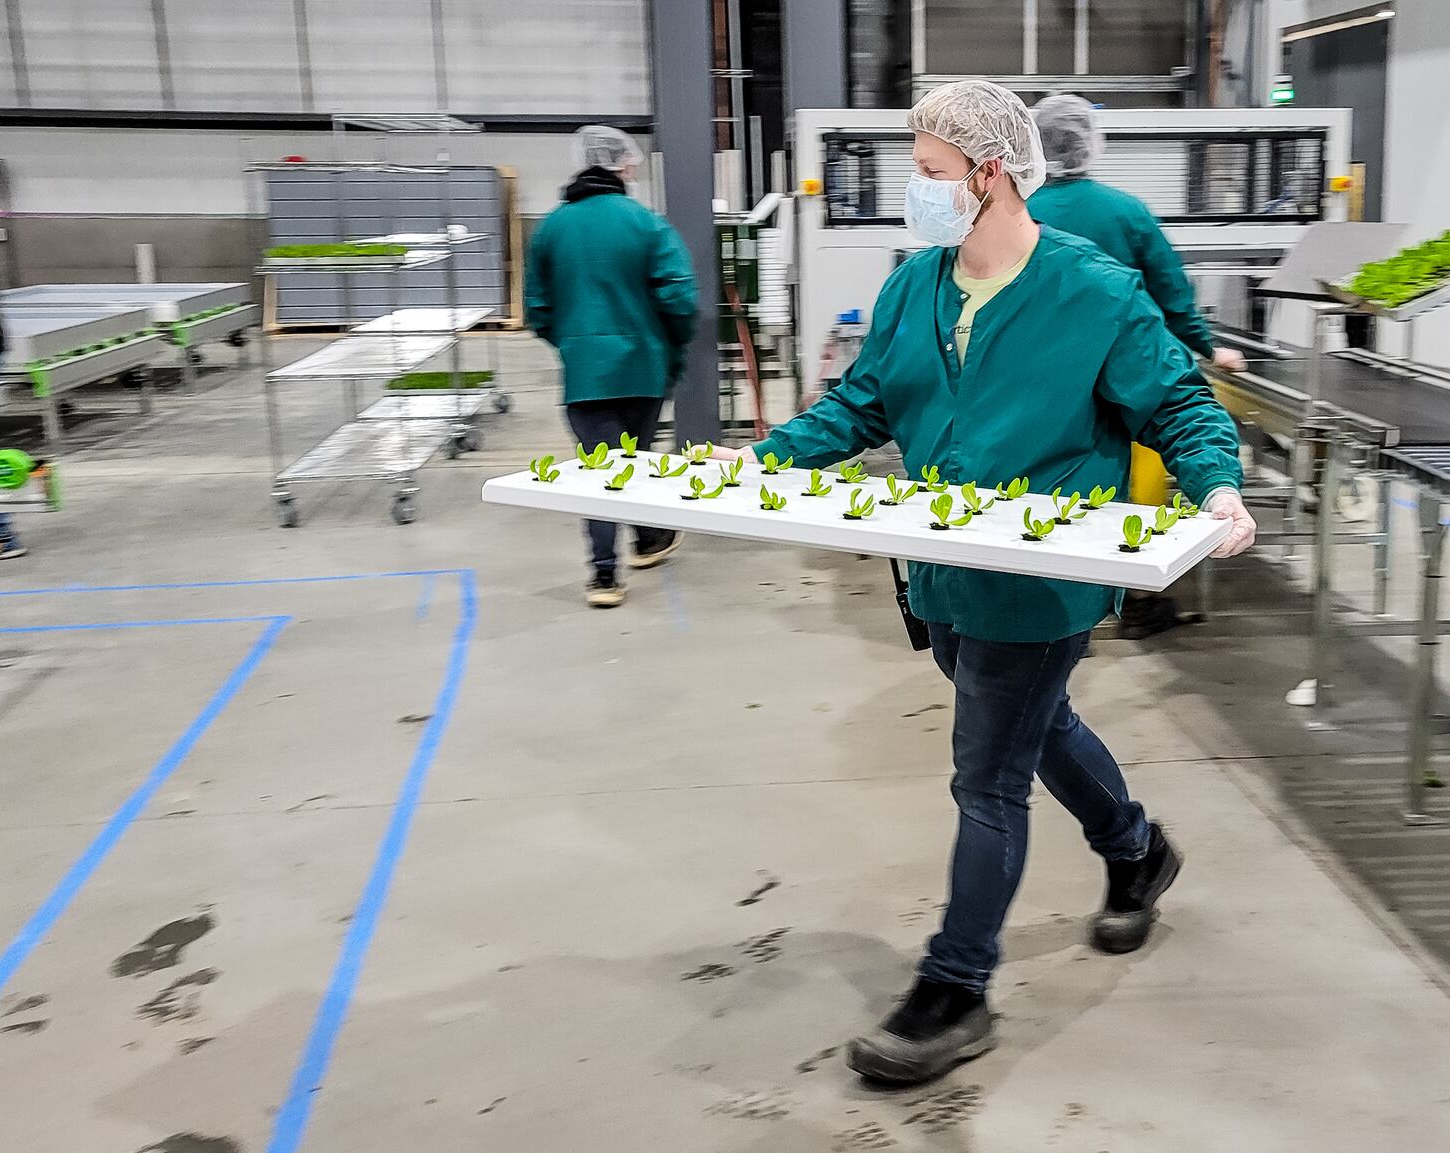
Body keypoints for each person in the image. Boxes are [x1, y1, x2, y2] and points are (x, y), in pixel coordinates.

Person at [722, 80, 1256, 1085]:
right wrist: (768, 459)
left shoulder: (1091, 290)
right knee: (1036, 724)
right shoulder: (914, 285)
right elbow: (867, 402)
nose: (912, 194)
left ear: (990, 174)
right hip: (940, 570)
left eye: (927, 175)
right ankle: (1136, 848)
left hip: (1039, 582)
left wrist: (1218, 487)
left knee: (987, 776)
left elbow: (1178, 401)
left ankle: (954, 988)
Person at [1030, 95, 1249, 639]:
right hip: (1126, 373)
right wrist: (1207, 347)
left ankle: (1051, 603)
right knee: (1138, 483)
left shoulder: (1019, 207)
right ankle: (1136, 595)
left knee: (1049, 482)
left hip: (1043, 375)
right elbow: (1170, 292)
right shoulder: (1125, 210)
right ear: (1090, 144)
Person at [526, 125, 700, 608]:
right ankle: (646, 540)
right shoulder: (645, 223)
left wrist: (575, 345)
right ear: (622, 166)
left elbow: (537, 309)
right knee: (635, 457)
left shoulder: (551, 228)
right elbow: (680, 297)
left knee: (598, 467)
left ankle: (606, 574)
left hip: (584, 374)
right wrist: (670, 347)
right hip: (643, 368)